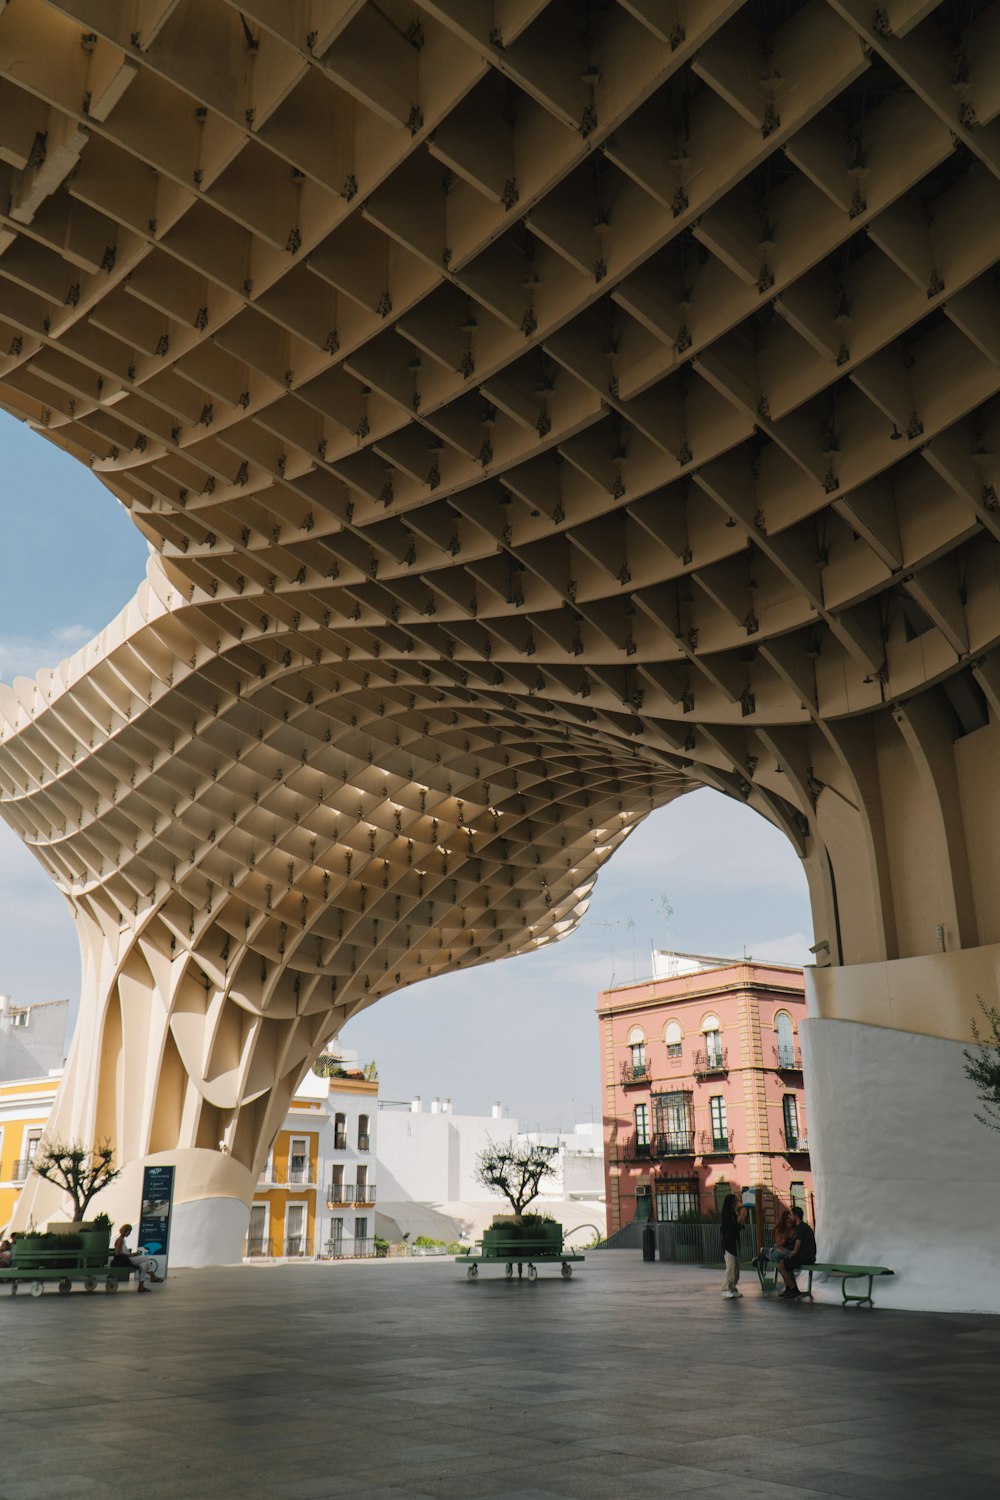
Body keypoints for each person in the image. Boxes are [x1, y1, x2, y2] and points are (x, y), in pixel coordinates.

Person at [777, 1206, 816, 1299]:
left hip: (805, 1256)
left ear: (796, 1216)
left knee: (782, 1265)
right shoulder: (801, 1227)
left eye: (791, 1215)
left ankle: (794, 1290)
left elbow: (797, 1247)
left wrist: (790, 1255)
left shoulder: (801, 1228)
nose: (789, 1217)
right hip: (805, 1255)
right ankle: (790, 1289)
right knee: (785, 1264)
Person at [111, 1223, 163, 1292]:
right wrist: (132, 1255)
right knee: (146, 1258)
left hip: (128, 1258)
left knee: (143, 1265)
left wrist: (133, 1254)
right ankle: (153, 1277)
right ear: (125, 1231)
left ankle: (141, 1287)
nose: (129, 1234)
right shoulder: (120, 1240)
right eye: (128, 1232)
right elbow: (118, 1253)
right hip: (127, 1260)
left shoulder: (122, 1240)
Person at [720, 1193, 749, 1299]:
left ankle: (732, 1287)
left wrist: (742, 1216)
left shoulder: (733, 1213)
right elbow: (733, 1227)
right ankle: (726, 1288)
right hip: (728, 1243)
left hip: (734, 1242)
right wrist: (741, 1215)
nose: (737, 1202)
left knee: (736, 1267)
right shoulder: (727, 1214)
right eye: (735, 1201)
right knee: (731, 1266)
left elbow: (738, 1226)